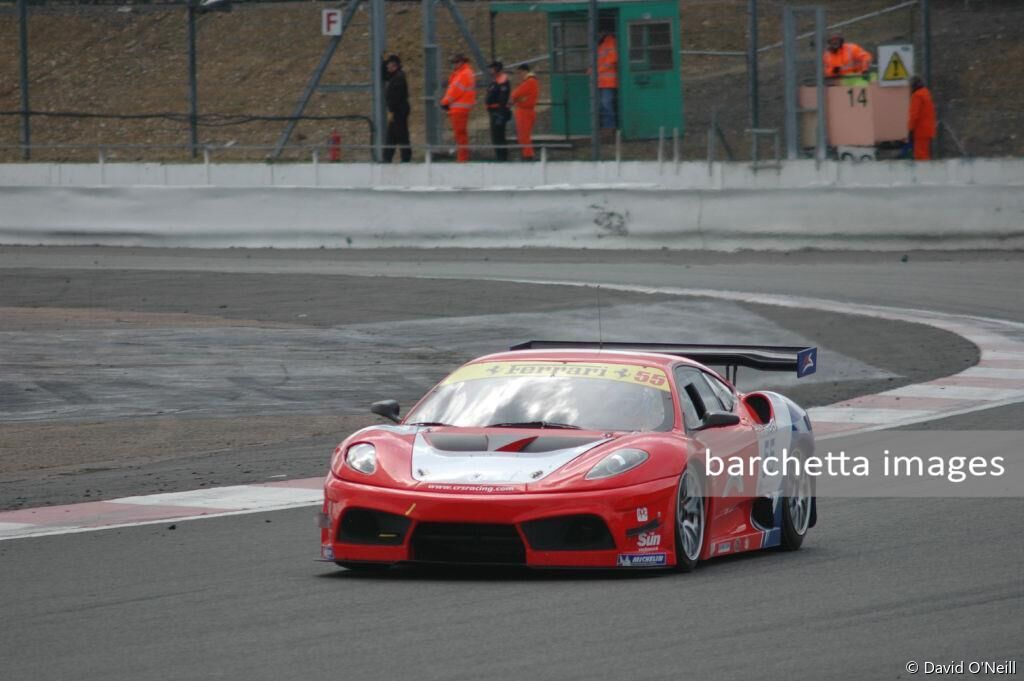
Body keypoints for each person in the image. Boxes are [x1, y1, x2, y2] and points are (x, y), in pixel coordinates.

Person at [440, 53, 476, 163]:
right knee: (461, 134)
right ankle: (462, 157)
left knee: (460, 135)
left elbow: (454, 91)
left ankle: (462, 158)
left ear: (461, 62)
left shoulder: (463, 74)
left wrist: (444, 102)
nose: (453, 65)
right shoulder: (464, 73)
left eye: (455, 62)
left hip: (458, 109)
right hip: (459, 108)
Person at [382, 54, 411, 163]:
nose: (387, 67)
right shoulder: (396, 76)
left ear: (394, 66)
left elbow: (394, 98)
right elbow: (386, 75)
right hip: (397, 112)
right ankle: (387, 158)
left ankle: (405, 159)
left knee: (401, 136)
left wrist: (392, 110)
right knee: (393, 136)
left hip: (398, 112)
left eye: (388, 65)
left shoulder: (398, 78)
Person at [510, 63, 539, 161]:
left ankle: (528, 156)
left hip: (524, 112)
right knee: (524, 136)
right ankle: (527, 155)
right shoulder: (530, 81)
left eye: (520, 73)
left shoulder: (530, 81)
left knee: (524, 136)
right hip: (525, 111)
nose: (519, 75)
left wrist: (515, 99)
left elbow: (516, 93)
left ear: (525, 71)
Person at [485, 61, 512, 162]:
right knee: (495, 137)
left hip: (497, 112)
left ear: (497, 69)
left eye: (492, 68)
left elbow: (503, 99)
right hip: (493, 111)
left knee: (499, 137)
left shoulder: (502, 81)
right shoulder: (495, 81)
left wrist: (501, 114)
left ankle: (502, 158)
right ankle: (499, 157)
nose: (490, 70)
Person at [907, 76, 936, 161]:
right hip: (928, 130)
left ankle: (923, 173)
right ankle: (928, 172)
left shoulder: (917, 96)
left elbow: (914, 115)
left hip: (920, 131)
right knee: (926, 155)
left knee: (921, 157)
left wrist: (910, 130)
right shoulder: (926, 93)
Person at [597, 33, 619, 129]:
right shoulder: (601, 44)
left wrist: (596, 70)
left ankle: (610, 127)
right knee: (602, 105)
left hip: (608, 81)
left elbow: (612, 59)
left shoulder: (610, 42)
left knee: (606, 104)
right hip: (601, 81)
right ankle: (605, 127)